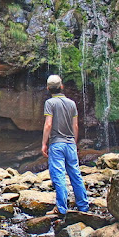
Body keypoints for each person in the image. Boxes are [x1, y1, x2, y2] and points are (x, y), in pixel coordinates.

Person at [41, 74, 89, 215]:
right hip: (70, 144)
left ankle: (62, 208)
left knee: (59, 175)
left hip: (57, 144)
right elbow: (75, 126)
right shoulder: (72, 103)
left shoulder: (50, 103)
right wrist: (73, 143)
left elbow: (48, 124)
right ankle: (83, 206)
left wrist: (44, 143)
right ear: (62, 87)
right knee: (75, 174)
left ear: (48, 88)